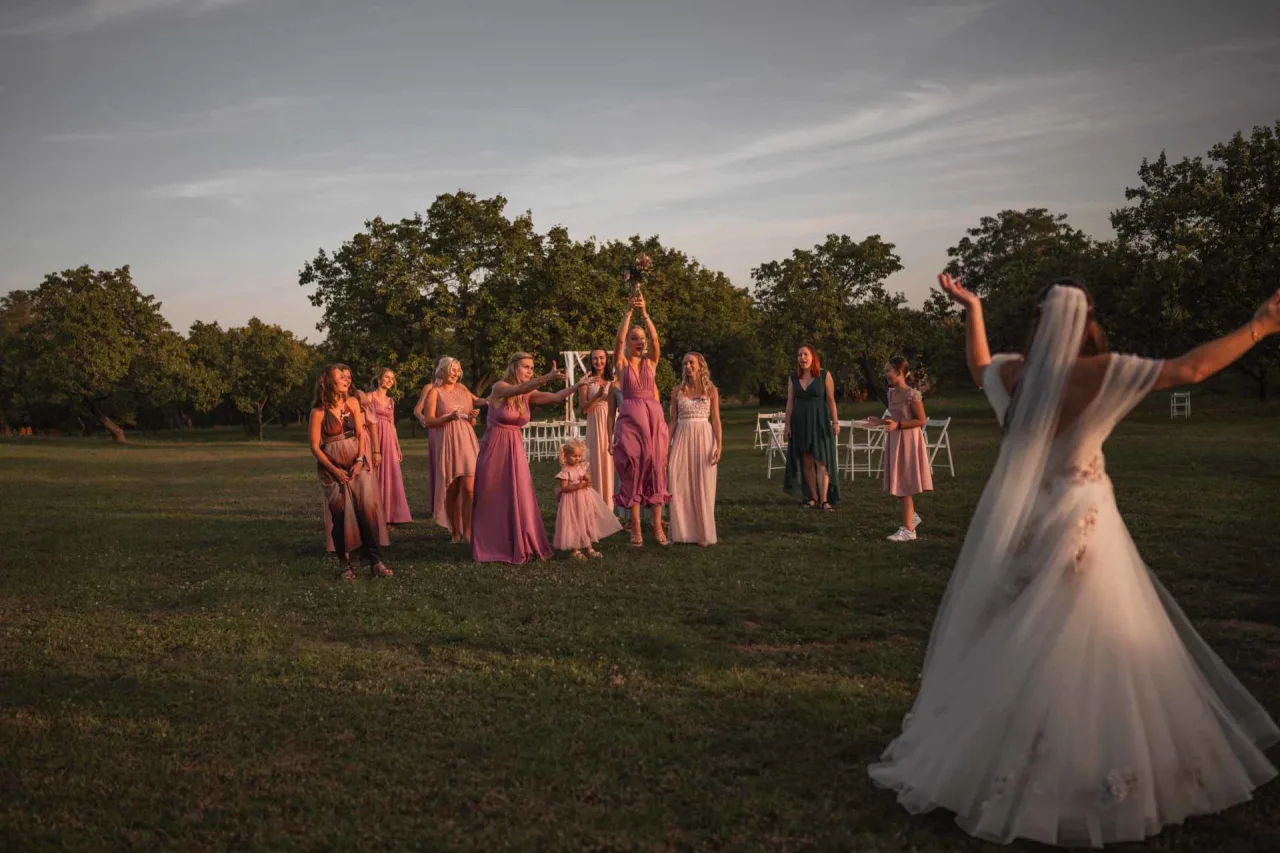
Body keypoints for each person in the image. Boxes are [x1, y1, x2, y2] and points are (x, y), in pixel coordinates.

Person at [868, 274, 1280, 848]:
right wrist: (1261, 324)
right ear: (1088, 322)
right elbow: (1190, 369)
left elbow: (978, 363)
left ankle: (1005, 757)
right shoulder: (1105, 370)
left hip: (1028, 525)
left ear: (1040, 323)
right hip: (1084, 523)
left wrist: (973, 308)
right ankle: (1082, 764)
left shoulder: (1016, 376)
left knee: (1019, 635)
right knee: (1090, 639)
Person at [471, 353, 587, 564]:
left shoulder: (529, 392)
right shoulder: (500, 387)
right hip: (495, 446)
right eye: (525, 367)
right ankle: (491, 544)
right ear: (513, 367)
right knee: (493, 493)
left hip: (515, 446)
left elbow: (556, 397)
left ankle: (519, 540)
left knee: (519, 493)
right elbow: (518, 389)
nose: (529, 371)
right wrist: (546, 378)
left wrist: (578, 385)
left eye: (532, 368)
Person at [308, 363, 391, 581]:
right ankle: (346, 565)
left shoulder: (353, 402)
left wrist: (360, 459)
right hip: (332, 469)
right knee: (341, 514)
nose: (347, 380)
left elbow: (362, 434)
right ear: (328, 382)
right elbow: (315, 446)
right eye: (341, 377)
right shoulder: (318, 412)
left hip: (358, 464)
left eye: (348, 377)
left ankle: (375, 562)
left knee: (368, 510)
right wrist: (334, 470)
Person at [613, 289, 670, 546]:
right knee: (634, 467)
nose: (640, 341)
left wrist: (645, 314)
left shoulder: (652, 362)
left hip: (654, 419)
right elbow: (617, 341)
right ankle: (635, 527)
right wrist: (628, 312)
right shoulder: (622, 365)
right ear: (628, 343)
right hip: (631, 422)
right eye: (635, 338)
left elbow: (657, 341)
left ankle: (657, 525)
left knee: (657, 468)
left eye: (642, 338)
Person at [415, 357, 485, 543]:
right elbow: (429, 421)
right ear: (443, 370)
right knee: (452, 488)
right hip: (447, 440)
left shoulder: (463, 390)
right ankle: (455, 531)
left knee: (469, 488)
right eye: (452, 369)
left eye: (458, 370)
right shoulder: (434, 392)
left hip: (467, 440)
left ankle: (468, 531)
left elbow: (471, 421)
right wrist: (448, 418)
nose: (455, 373)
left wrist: (471, 416)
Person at [870, 356, 931, 542]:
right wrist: (879, 421)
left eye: (889, 370)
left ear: (900, 372)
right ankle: (910, 517)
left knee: (904, 486)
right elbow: (893, 417)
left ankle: (908, 530)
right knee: (897, 484)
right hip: (896, 440)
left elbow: (920, 420)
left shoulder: (912, 394)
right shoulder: (891, 394)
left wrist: (898, 425)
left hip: (909, 441)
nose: (886, 374)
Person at [667, 352, 721, 546]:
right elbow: (672, 421)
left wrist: (719, 445)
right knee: (678, 480)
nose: (687, 366)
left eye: (691, 362)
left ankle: (703, 533)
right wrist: (665, 445)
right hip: (682, 437)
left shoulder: (711, 390)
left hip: (704, 438)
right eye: (685, 363)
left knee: (702, 483)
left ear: (700, 365)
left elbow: (715, 419)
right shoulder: (677, 391)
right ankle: (681, 532)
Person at [783, 345, 840, 510]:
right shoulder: (793, 377)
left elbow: (830, 401)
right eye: (799, 355)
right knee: (806, 461)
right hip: (800, 423)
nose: (802, 358)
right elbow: (790, 402)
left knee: (821, 460)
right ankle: (812, 497)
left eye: (805, 354)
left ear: (813, 356)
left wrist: (835, 422)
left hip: (819, 421)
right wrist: (787, 425)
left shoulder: (824, 375)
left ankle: (824, 500)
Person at [552, 437, 623, 560]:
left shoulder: (580, 466)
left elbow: (586, 476)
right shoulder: (565, 471)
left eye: (579, 456)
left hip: (584, 499)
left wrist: (586, 478)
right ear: (566, 455)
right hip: (571, 501)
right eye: (574, 456)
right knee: (574, 522)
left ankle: (589, 547)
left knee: (586, 520)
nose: (578, 459)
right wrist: (579, 485)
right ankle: (575, 549)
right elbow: (564, 488)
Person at [366, 367, 412, 527]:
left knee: (391, 475)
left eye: (392, 379)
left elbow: (392, 425)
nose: (389, 381)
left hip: (389, 441)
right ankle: (373, 515)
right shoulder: (369, 397)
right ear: (379, 378)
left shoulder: (391, 401)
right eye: (386, 377)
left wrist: (397, 447)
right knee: (375, 475)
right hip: (373, 437)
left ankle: (390, 515)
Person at [579, 348, 616, 506]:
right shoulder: (586, 381)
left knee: (613, 460)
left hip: (612, 420)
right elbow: (583, 408)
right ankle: (597, 503)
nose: (598, 362)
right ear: (591, 361)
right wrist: (597, 396)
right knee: (595, 459)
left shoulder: (614, 379)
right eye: (595, 359)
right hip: (595, 422)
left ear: (606, 360)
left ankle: (614, 503)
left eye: (601, 358)